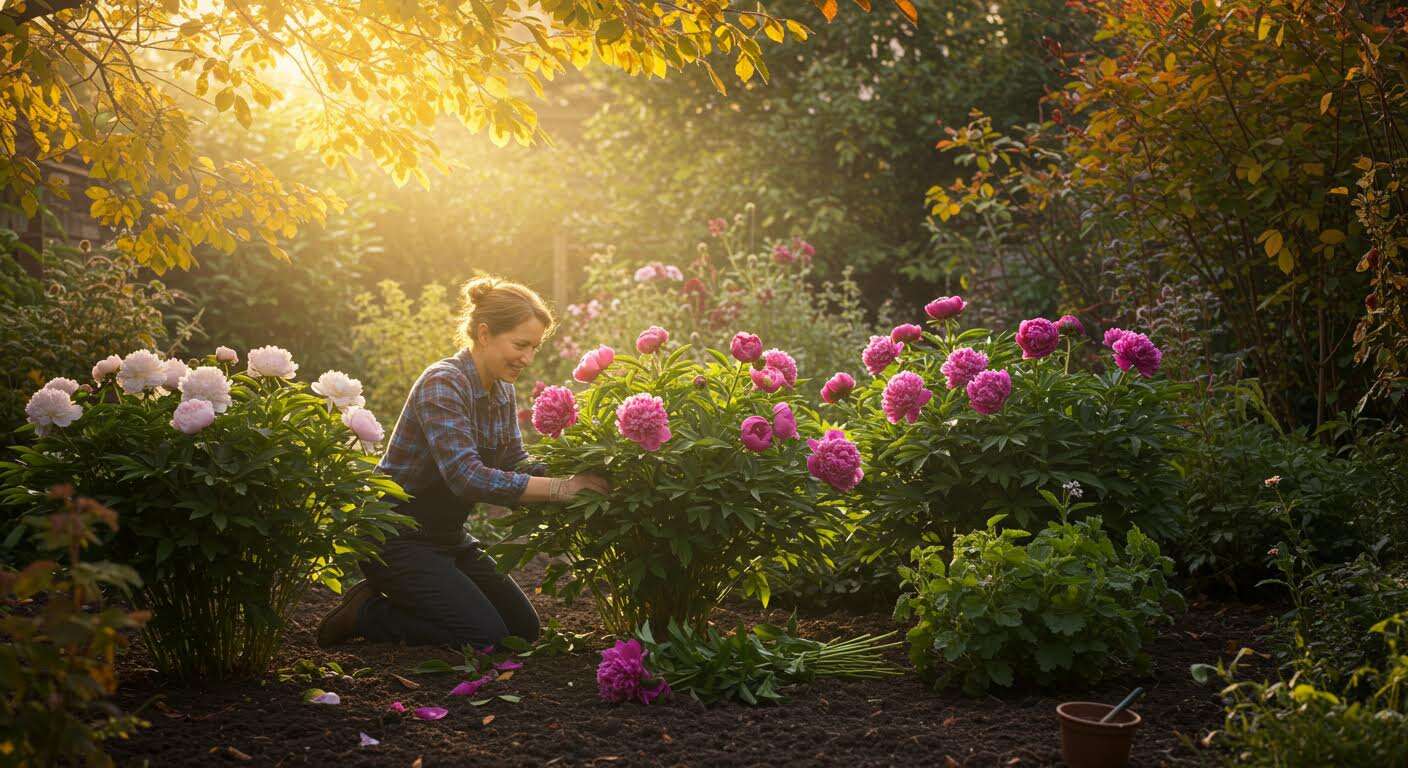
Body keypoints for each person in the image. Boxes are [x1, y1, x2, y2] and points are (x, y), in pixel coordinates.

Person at [315, 276, 608, 648]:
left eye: (534, 347)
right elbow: (466, 477)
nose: (528, 358)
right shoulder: (443, 383)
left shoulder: (501, 389)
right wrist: (561, 489)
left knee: (522, 631)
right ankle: (368, 613)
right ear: (484, 334)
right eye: (520, 345)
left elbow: (515, 461)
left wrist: (580, 475)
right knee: (483, 637)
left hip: (448, 538)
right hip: (395, 539)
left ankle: (422, 595)